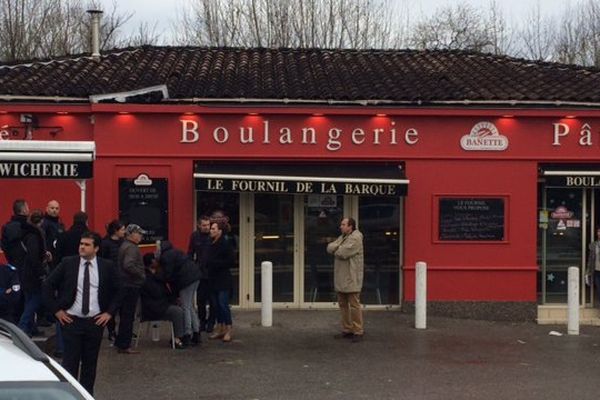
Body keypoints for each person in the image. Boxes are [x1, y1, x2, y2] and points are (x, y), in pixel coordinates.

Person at [42, 231, 121, 396]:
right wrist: (57, 311)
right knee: (70, 363)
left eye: (87, 245)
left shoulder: (106, 266)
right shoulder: (68, 263)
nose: (82, 247)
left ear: (96, 248)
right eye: (81, 244)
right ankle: (68, 397)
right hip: (71, 321)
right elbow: (48, 285)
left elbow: (120, 290)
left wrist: (109, 313)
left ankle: (86, 395)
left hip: (95, 322)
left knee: (90, 364)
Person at [327, 217, 364, 343]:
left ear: (351, 226)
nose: (341, 226)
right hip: (341, 277)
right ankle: (347, 329)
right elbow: (329, 248)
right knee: (343, 305)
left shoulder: (356, 238)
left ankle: (358, 330)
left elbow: (343, 253)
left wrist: (336, 247)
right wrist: (337, 246)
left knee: (354, 304)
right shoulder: (342, 237)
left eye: (343, 224)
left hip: (351, 276)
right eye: (341, 224)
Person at [157, 240, 201, 346]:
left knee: (185, 307)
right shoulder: (176, 251)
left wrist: (158, 277)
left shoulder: (165, 257)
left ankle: (187, 334)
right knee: (190, 306)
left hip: (186, 280)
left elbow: (169, 275)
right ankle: (196, 332)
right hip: (195, 276)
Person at [140, 253, 186, 349]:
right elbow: (157, 293)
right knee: (177, 312)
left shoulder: (156, 276)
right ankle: (178, 338)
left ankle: (179, 335)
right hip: (154, 308)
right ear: (152, 262)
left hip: (159, 304)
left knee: (180, 309)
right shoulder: (147, 278)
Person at [115, 224, 146, 354]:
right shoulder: (132, 248)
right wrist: (141, 274)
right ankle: (124, 345)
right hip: (130, 285)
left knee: (125, 316)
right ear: (131, 234)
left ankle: (120, 342)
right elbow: (128, 265)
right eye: (139, 233)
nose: (141, 236)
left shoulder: (124, 245)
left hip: (125, 284)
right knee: (128, 316)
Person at [18, 210, 50, 336]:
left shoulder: (25, 233)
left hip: (26, 271)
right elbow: (34, 256)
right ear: (41, 222)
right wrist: (41, 272)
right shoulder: (35, 235)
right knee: (36, 299)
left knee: (29, 299)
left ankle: (31, 328)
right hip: (33, 273)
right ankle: (23, 327)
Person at [1, 199, 30, 321]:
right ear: (23, 210)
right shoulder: (26, 227)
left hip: (11, 264)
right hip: (24, 266)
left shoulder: (7, 227)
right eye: (27, 206)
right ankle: (25, 324)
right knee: (26, 296)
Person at [206, 220, 235, 343]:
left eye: (213, 229)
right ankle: (220, 328)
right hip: (212, 278)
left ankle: (228, 328)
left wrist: (214, 263)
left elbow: (230, 261)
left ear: (220, 231)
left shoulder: (225, 244)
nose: (211, 231)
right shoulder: (210, 243)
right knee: (216, 305)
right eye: (211, 228)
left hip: (223, 278)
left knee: (223, 304)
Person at [99, 220, 125, 341]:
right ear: (116, 231)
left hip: (122, 276)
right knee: (111, 305)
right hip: (110, 278)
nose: (124, 231)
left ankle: (122, 331)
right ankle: (112, 330)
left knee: (123, 306)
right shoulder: (105, 243)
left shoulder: (123, 243)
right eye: (122, 229)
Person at [188, 215, 215, 333]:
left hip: (212, 271)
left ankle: (211, 322)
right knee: (201, 299)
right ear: (199, 225)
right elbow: (190, 252)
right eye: (204, 225)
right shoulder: (195, 236)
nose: (206, 227)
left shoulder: (213, 235)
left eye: (208, 225)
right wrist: (192, 266)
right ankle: (202, 322)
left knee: (213, 300)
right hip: (200, 272)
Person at [41, 200, 65, 271]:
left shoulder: (60, 225)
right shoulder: (43, 223)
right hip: (47, 258)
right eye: (52, 208)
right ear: (47, 208)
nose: (54, 210)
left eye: (57, 208)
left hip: (59, 258)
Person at [587, 227, 600, 304]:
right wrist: (588, 271)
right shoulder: (593, 245)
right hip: (597, 271)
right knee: (599, 290)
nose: (599, 233)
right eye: (598, 231)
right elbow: (590, 260)